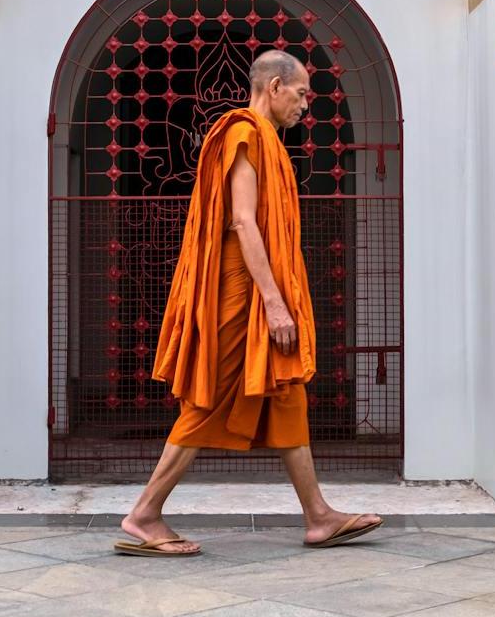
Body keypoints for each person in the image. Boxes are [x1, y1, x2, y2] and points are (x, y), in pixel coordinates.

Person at [116, 49, 384, 556]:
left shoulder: (271, 145)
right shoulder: (242, 133)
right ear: (275, 85)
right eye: (303, 93)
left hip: (258, 291)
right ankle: (144, 513)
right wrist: (274, 302)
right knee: (209, 397)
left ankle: (319, 516)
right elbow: (243, 220)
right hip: (240, 291)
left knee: (286, 391)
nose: (307, 105)